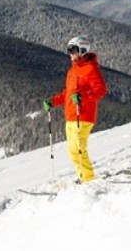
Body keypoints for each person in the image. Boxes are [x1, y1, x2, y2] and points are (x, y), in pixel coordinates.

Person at [43, 36, 107, 183]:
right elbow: (68, 94)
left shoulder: (91, 68)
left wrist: (83, 97)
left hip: (83, 115)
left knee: (79, 148)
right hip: (71, 116)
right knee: (72, 150)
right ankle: (82, 176)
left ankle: (88, 178)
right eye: (69, 50)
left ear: (82, 50)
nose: (70, 53)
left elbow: (101, 89)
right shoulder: (72, 71)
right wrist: (53, 102)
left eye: (73, 50)